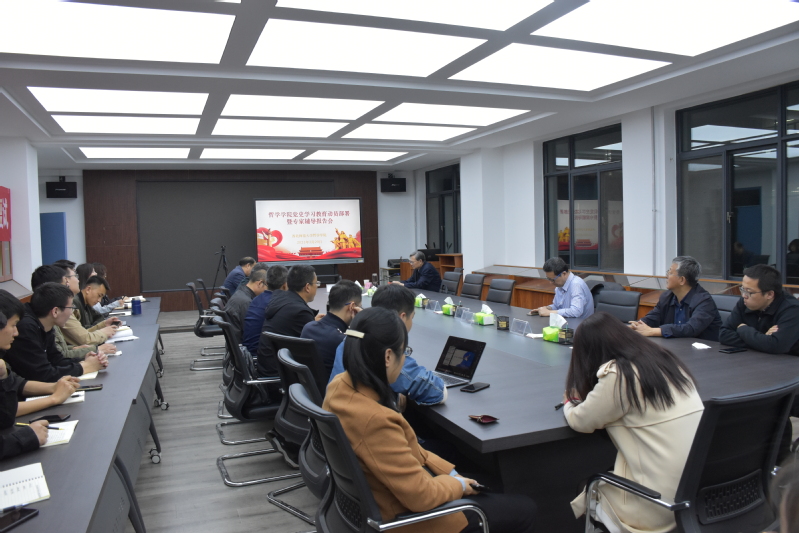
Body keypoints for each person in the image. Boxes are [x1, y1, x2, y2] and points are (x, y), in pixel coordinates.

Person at [325, 306, 537, 533]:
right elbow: (421, 497)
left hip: (375, 503)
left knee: (490, 483)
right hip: (410, 519)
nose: (404, 359)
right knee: (526, 508)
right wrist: (457, 485)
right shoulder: (376, 420)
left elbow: (415, 451)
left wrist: (451, 474)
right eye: (404, 352)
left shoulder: (339, 386)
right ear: (388, 356)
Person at [563, 312, 704, 533]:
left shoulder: (621, 374)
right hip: (697, 494)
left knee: (585, 486)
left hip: (656, 504)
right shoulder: (666, 360)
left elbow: (581, 420)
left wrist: (569, 402)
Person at [330, 284, 446, 406]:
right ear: (402, 318)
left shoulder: (353, 338)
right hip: (368, 415)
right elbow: (438, 392)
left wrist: (396, 390)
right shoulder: (383, 349)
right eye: (412, 317)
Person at [3, 283, 107, 381]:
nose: (71, 313)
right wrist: (84, 367)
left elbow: (56, 359)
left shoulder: (46, 323)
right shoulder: (26, 327)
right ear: (55, 311)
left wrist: (85, 360)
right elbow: (42, 374)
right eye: (71, 308)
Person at [0, 306, 81, 421]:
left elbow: (17, 383)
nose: (16, 333)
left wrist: (54, 387)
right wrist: (53, 399)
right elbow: (5, 411)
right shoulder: (28, 326)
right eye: (13, 325)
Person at [30, 264, 115, 358]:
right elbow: (84, 339)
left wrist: (73, 348)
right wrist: (97, 347)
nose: (78, 280)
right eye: (66, 282)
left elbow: (61, 350)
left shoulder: (56, 312)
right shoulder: (61, 309)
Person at [630, 256, 723, 341]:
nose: (666, 276)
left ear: (682, 280)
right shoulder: (666, 297)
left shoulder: (704, 301)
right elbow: (653, 317)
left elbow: (691, 329)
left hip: (703, 350)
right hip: (675, 346)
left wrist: (653, 331)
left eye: (670, 273)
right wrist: (638, 325)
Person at [256, 265, 322, 378]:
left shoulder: (282, 299)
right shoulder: (301, 312)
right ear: (307, 287)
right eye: (316, 283)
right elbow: (317, 349)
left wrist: (311, 321)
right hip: (280, 377)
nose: (317, 287)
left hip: (269, 369)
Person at [718, 264, 799, 355]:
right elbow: (724, 335)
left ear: (769, 294)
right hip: (755, 357)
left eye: (749, 291)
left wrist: (743, 329)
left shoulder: (792, 309)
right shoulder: (745, 302)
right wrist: (763, 339)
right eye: (742, 289)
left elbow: (776, 346)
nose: (744, 295)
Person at [301, 279, 362, 380]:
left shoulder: (308, 328)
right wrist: (360, 324)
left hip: (308, 388)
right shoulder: (343, 341)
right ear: (352, 307)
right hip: (334, 388)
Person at [58, 264, 118, 347]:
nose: (78, 280)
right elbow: (84, 339)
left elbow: (84, 333)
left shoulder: (85, 302)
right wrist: (103, 333)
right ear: (66, 281)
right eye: (75, 276)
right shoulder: (70, 305)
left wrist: (104, 324)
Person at [242, 265, 287, 357]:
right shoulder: (278, 303)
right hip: (260, 356)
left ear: (266, 282)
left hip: (249, 352)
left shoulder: (257, 299)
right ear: (285, 285)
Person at [224, 268, 267, 342]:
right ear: (260, 283)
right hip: (243, 345)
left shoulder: (241, 293)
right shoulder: (246, 302)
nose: (267, 290)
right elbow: (252, 332)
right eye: (267, 286)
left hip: (235, 342)